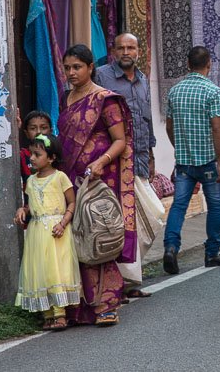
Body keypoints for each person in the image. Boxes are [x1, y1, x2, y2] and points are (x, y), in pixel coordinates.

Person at [58, 44, 135, 327]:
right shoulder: (66, 98)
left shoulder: (105, 100)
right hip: (71, 178)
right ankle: (77, 307)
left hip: (99, 179)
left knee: (97, 236)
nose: (71, 72)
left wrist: (100, 162)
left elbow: (120, 140)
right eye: (67, 67)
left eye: (77, 67)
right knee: (75, 238)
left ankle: (106, 304)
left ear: (91, 68)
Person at [95, 33, 156, 301]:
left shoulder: (143, 80)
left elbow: (146, 118)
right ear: (113, 51)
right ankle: (120, 282)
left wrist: (151, 153)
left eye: (131, 47)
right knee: (120, 224)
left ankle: (129, 277)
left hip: (140, 160)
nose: (126, 52)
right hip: (114, 163)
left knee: (150, 220)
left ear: (139, 51)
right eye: (121, 48)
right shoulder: (101, 77)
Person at [163, 46, 220, 274]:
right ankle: (212, 252)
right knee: (214, 206)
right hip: (209, 162)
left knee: (178, 206)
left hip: (184, 164)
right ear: (209, 64)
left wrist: (179, 148)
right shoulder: (212, 91)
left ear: (188, 64)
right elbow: (217, 127)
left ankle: (170, 248)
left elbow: (170, 127)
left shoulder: (175, 91)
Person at [13, 134, 82, 331]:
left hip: (56, 232)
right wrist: (22, 210)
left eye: (37, 154)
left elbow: (72, 202)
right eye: (31, 154)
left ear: (51, 157)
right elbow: (30, 205)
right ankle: (47, 314)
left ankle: (60, 313)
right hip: (37, 233)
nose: (32, 158)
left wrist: (63, 222)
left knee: (56, 270)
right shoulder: (31, 181)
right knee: (39, 270)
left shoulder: (60, 177)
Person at [19, 110, 52, 185]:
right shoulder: (23, 155)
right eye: (33, 128)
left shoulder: (55, 153)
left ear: (50, 131)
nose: (38, 132)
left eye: (43, 128)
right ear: (26, 133)